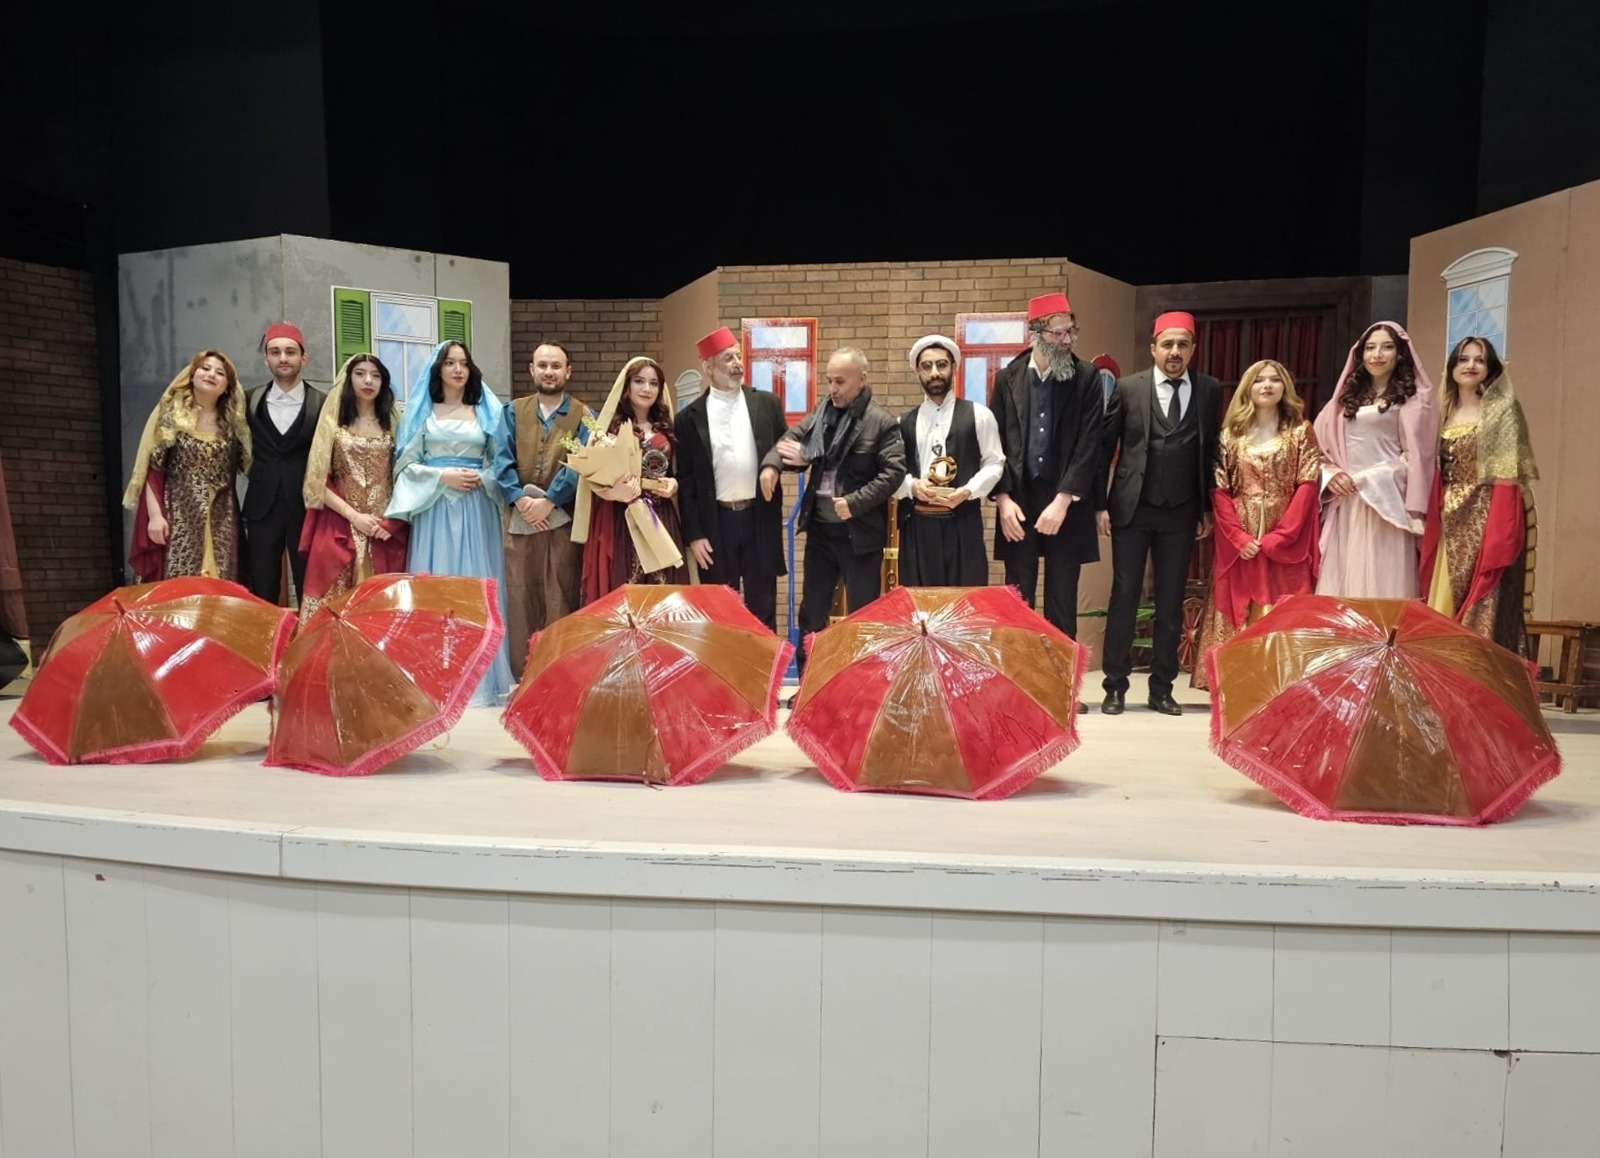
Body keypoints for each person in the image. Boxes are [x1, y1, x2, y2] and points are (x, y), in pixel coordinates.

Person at [1098, 311, 1222, 716]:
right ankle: (1115, 686)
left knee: (1170, 601)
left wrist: (1206, 507)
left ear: (1193, 349)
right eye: (1167, 344)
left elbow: (1210, 451)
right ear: (1153, 348)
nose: (1174, 352)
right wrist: (1099, 504)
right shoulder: (1128, 388)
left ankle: (1162, 689)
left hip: (1181, 511)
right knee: (1125, 596)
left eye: (1183, 344)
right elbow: (1105, 448)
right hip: (1132, 508)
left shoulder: (1208, 389)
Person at [385, 340, 514, 705]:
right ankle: (433, 679)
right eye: (450, 363)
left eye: (463, 363)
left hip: (476, 508)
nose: (458, 369)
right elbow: (405, 466)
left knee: (475, 588)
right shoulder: (422, 413)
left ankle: (478, 680)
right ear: (438, 369)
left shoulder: (486, 412)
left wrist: (480, 478)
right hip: (436, 507)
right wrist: (442, 477)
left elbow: (501, 464)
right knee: (435, 588)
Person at [760, 348, 905, 671]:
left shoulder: (881, 423)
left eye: (840, 381)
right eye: (829, 381)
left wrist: (855, 502)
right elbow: (790, 439)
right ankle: (809, 685)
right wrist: (771, 466)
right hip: (821, 532)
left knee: (863, 617)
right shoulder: (821, 413)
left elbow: (893, 473)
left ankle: (861, 685)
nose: (833, 389)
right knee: (811, 615)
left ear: (861, 380)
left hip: (860, 535)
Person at [1191, 360, 1322, 690]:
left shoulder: (1300, 432)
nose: (1267, 385)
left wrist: (1283, 535)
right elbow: (1219, 489)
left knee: (1284, 598)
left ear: (1284, 387)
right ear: (1247, 388)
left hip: (1286, 526)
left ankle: (1281, 680)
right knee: (1240, 596)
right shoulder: (1229, 436)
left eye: (1275, 380)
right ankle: (1237, 681)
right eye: (1259, 380)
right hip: (1241, 525)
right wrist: (1237, 536)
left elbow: (1307, 485)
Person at [989, 292, 1104, 639]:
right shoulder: (1008, 378)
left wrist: (1064, 499)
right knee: (1017, 602)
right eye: (1058, 333)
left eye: (1071, 331)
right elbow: (995, 443)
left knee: (1062, 603)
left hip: (1066, 501)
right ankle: (1020, 672)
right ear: (1035, 333)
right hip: (1019, 501)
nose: (1067, 340)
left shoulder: (1087, 377)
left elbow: (1090, 444)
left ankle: (1062, 675)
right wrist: (1003, 499)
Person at [1420, 336, 1537, 655]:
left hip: (1485, 516)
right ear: (1452, 367)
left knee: (1484, 599)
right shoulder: (1443, 414)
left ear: (1490, 368)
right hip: (1449, 520)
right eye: (1463, 359)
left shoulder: (1501, 412)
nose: (1470, 365)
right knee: (1444, 597)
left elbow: (1506, 477)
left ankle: (1476, 672)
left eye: (1479, 360)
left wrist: (1500, 533)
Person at [1313, 321, 1438, 600]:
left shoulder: (1415, 401)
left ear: (1400, 353)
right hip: (1348, 502)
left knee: (1385, 578)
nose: (1377, 354)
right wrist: (1331, 475)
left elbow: (1420, 458)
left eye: (1387, 347)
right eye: (1370, 348)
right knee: (1344, 580)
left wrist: (1379, 478)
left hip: (1389, 503)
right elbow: (1316, 451)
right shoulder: (1341, 402)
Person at [676, 326, 790, 631]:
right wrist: (694, 534)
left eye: (738, 356)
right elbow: (685, 481)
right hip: (716, 524)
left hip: (759, 518)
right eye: (728, 358)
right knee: (719, 612)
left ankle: (766, 663)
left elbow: (786, 447)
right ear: (708, 367)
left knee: (763, 608)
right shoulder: (688, 418)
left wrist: (773, 466)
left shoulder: (766, 403)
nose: (737, 363)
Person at [491, 342, 593, 675]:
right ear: (532, 370)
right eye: (543, 365)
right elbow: (501, 460)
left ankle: (560, 672)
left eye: (556, 366)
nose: (549, 372)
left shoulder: (584, 415)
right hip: (519, 518)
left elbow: (582, 463)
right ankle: (523, 674)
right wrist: (520, 500)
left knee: (561, 590)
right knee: (520, 592)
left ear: (568, 372)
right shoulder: (512, 412)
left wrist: (550, 500)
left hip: (563, 520)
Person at [296, 353, 409, 622]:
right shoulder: (333, 425)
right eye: (360, 374)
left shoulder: (395, 425)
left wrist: (392, 521)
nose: (368, 380)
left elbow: (405, 477)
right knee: (334, 609)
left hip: (383, 528)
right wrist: (354, 517)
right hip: (340, 523)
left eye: (375, 375)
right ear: (348, 380)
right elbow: (317, 481)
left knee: (382, 607)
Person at [124, 349, 252, 582]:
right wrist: (155, 516)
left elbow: (248, 465)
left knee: (221, 585)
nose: (211, 374)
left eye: (220, 373)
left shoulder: (234, 425)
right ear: (192, 375)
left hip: (222, 516)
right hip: (179, 514)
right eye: (205, 368)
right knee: (179, 586)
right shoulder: (172, 417)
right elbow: (154, 470)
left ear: (227, 386)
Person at [571, 356, 688, 602]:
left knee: (662, 591)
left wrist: (674, 485)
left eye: (654, 383)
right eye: (639, 381)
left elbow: (679, 472)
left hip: (661, 516)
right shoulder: (608, 430)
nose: (647, 389)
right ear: (627, 386)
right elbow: (593, 479)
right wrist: (615, 492)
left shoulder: (666, 427)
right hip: (621, 517)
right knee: (625, 589)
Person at [895, 334, 1005, 585]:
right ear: (918, 372)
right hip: (918, 527)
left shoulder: (980, 415)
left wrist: (969, 490)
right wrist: (912, 486)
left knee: (966, 600)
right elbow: (892, 473)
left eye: (941, 364)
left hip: (964, 525)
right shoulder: (903, 423)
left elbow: (995, 462)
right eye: (926, 366)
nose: (934, 372)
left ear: (954, 367)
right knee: (921, 601)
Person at [243, 323, 327, 606]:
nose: (283, 358)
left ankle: (310, 635)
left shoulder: (322, 403)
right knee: (261, 586)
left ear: (304, 358)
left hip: (307, 507)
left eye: (290, 352)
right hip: (261, 506)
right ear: (265, 359)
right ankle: (266, 636)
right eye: (275, 352)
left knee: (310, 587)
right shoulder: (249, 400)